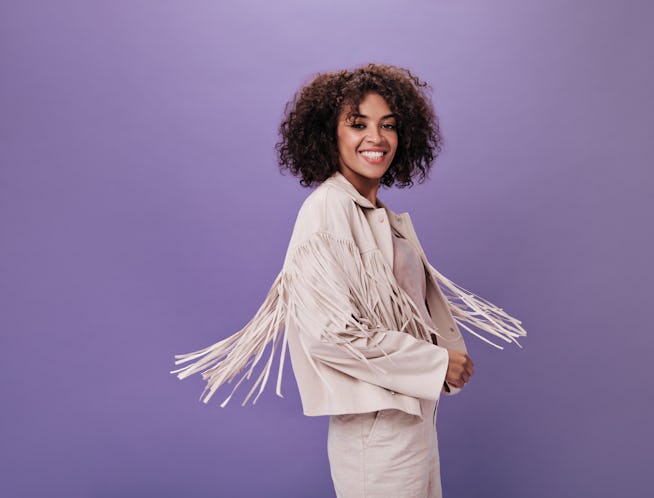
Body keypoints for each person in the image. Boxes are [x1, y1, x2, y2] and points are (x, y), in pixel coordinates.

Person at [171, 63, 527, 498]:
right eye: (358, 124)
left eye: (388, 125)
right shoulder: (327, 211)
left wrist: (445, 358)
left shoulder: (377, 216)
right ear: (328, 135)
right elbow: (329, 335)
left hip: (413, 421)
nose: (376, 138)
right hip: (376, 432)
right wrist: (436, 363)